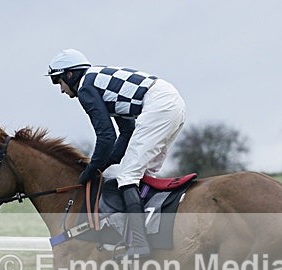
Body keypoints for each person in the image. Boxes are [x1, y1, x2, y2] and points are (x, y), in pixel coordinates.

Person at [46, 49, 186, 257]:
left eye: (58, 81)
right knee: (144, 174)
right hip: (171, 103)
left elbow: (106, 137)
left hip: (159, 106)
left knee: (128, 177)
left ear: (70, 75)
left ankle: (139, 243)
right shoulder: (99, 81)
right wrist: (108, 162)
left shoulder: (85, 88)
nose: (61, 90)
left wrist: (92, 169)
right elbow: (126, 130)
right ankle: (148, 230)